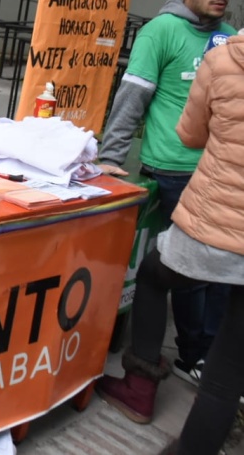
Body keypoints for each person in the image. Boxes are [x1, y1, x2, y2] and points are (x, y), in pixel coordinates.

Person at [96, 29, 244, 455]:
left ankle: (140, 387)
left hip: (213, 222)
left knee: (153, 276)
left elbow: (191, 135)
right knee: (227, 373)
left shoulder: (221, 59)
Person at [98, 0, 237, 385]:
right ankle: (196, 354)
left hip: (223, 177)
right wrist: (109, 158)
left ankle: (205, 354)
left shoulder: (231, 39)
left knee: (222, 279)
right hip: (174, 169)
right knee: (191, 276)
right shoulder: (161, 31)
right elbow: (132, 98)